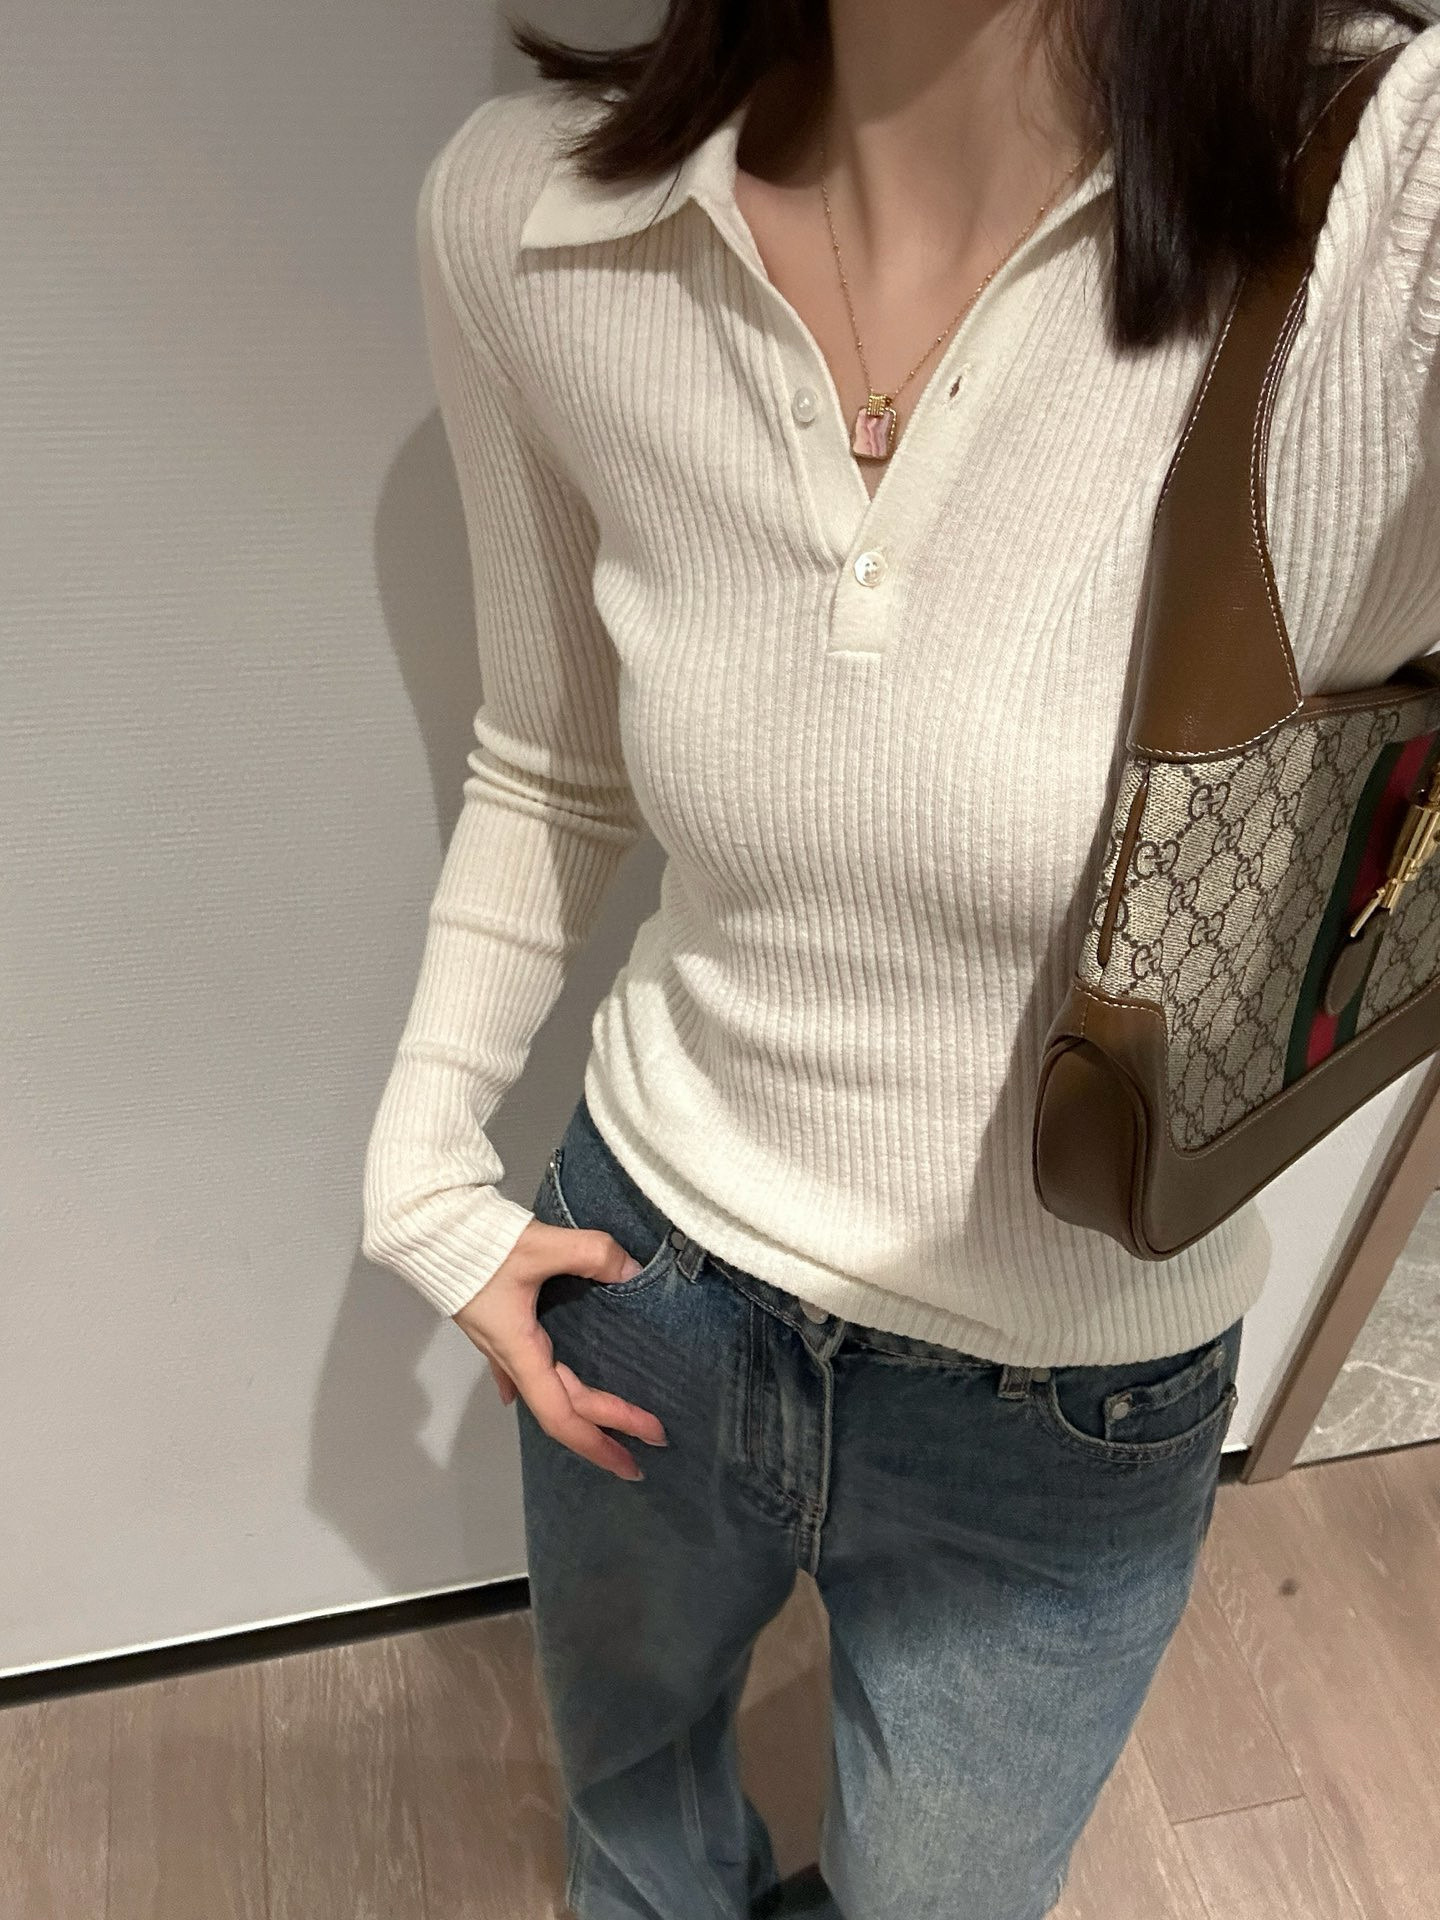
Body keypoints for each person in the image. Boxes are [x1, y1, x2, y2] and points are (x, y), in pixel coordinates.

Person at [363, 2, 1440, 1914]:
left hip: (1075, 1390)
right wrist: (423, 1168)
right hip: (647, 1275)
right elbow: (551, 754)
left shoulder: (1374, 210)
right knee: (633, 1837)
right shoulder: (537, 219)